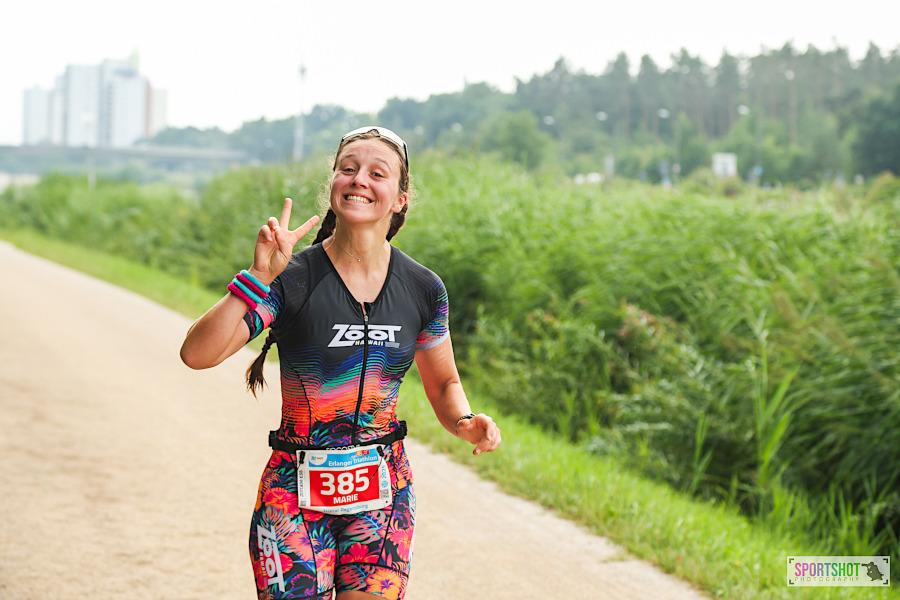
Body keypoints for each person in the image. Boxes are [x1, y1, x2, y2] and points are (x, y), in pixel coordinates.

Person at [180, 126, 501, 599]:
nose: (359, 180)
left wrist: (466, 421)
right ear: (332, 185)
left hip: (383, 494)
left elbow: (444, 382)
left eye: (377, 173)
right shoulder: (291, 279)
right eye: (348, 169)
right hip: (293, 494)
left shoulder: (423, 289)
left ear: (400, 199)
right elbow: (197, 354)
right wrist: (256, 277)